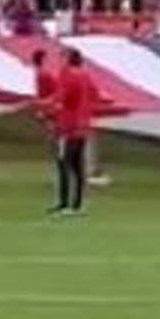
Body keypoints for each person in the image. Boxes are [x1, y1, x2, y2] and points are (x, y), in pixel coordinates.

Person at [50, 49, 95, 217]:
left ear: (68, 60)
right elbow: (94, 95)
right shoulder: (86, 76)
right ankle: (78, 205)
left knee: (63, 164)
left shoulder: (67, 75)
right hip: (82, 126)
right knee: (77, 166)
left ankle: (64, 205)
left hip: (68, 127)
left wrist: (50, 107)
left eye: (62, 57)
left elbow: (60, 99)